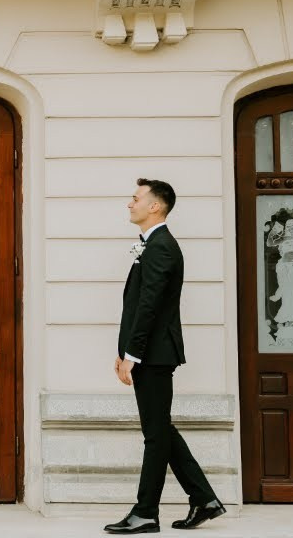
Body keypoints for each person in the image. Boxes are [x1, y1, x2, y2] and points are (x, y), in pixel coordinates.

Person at [105, 179, 224, 534]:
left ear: (155, 206)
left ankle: (145, 513)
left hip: (154, 355)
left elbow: (149, 307)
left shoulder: (160, 247)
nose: (130, 203)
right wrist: (122, 351)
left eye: (136, 198)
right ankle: (204, 499)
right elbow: (137, 306)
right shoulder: (154, 244)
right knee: (160, 430)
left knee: (156, 434)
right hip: (151, 353)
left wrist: (132, 354)